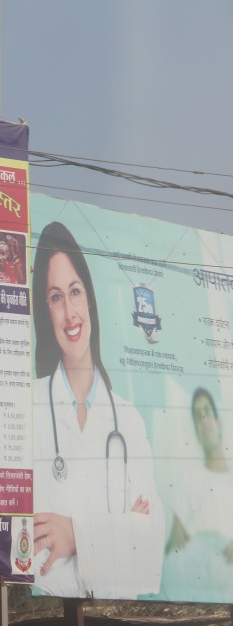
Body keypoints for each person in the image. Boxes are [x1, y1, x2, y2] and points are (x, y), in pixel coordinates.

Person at [31, 221, 163, 599]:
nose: (69, 312)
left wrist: (75, 536)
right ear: (46, 311)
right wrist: (121, 530)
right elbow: (29, 551)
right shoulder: (28, 407)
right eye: (56, 297)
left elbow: (150, 552)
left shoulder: (129, 420)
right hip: (50, 621)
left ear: (89, 297)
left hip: (116, 621)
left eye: (75, 291)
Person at [159, 387, 233, 600]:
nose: (204, 420)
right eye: (197, 417)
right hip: (198, 579)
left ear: (219, 424)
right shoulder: (189, 478)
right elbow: (174, 544)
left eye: (207, 412)